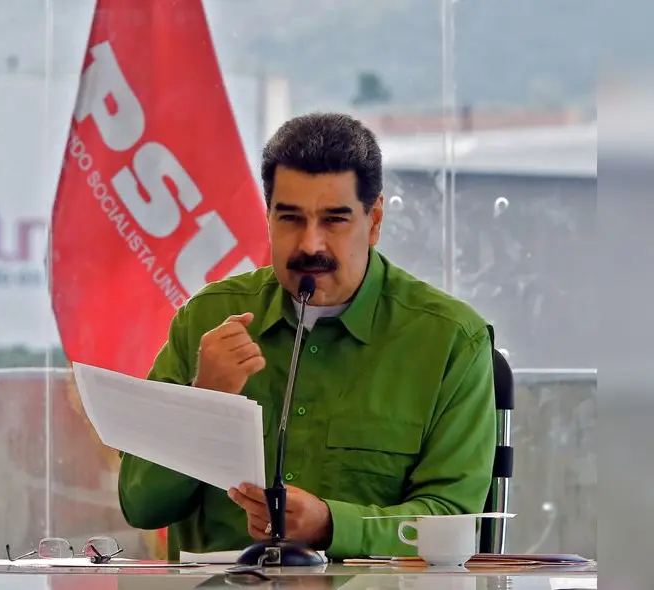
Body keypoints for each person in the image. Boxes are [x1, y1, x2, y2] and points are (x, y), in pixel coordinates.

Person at [117, 112, 497, 561]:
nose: (311, 245)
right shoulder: (208, 319)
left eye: (334, 220)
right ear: (268, 217)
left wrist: (330, 525)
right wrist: (205, 401)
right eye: (290, 218)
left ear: (373, 221)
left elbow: (451, 519)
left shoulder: (449, 340)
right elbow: (140, 504)